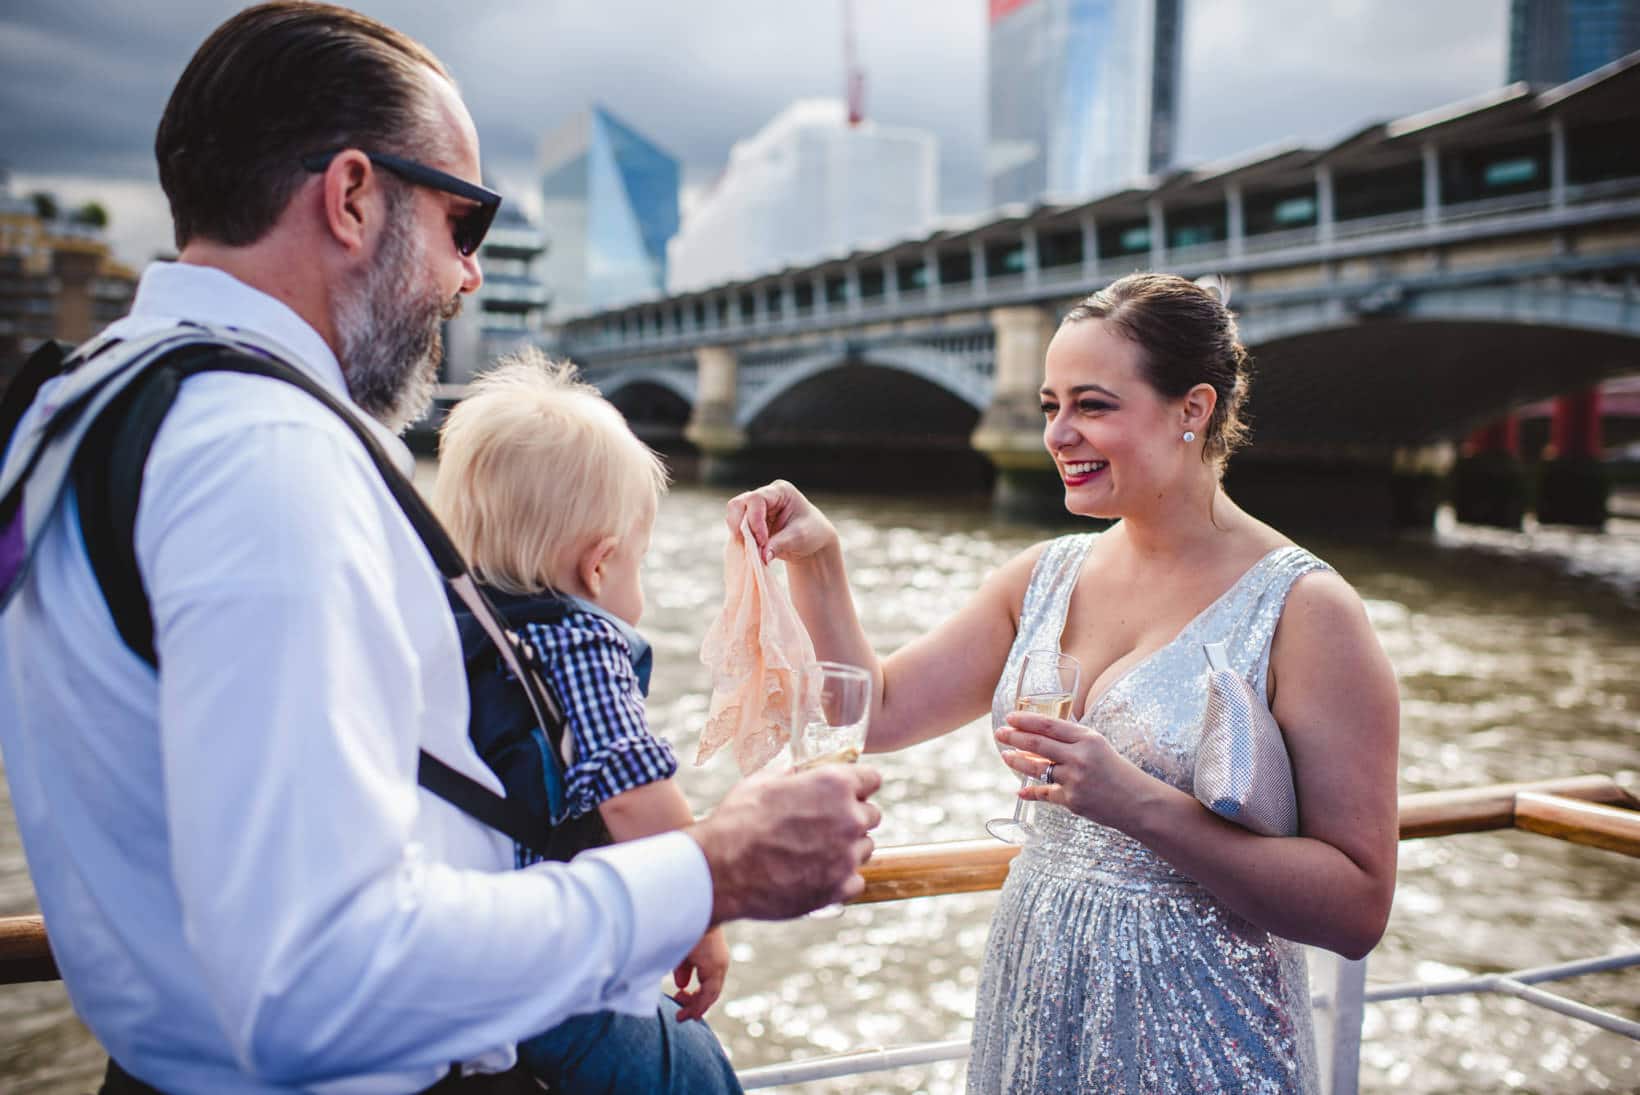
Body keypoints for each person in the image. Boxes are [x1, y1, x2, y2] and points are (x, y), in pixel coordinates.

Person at [0, 5, 879, 1093]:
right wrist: (711, 870)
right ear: (354, 196)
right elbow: (317, 983)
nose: (469, 277)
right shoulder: (263, 456)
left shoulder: (81, 407)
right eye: (464, 224)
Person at [728, 272, 1400, 1093]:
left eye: (1092, 405)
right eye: (1050, 405)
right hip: (1036, 988)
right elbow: (880, 707)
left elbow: (1358, 907)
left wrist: (1138, 802)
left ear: (1193, 408)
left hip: (1200, 1024)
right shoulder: (1041, 576)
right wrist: (820, 559)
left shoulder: (1306, 608)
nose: (1057, 433)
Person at [431, 351, 740, 1093]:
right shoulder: (579, 639)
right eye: (641, 562)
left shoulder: (436, 616)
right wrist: (703, 913)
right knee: (699, 1077)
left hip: (452, 950)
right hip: (549, 964)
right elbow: (634, 787)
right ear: (599, 567)